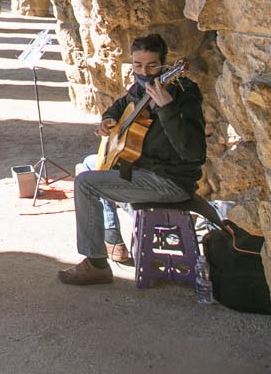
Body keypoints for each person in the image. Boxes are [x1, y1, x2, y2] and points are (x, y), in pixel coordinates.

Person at [58, 33, 206, 286]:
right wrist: (108, 120)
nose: (144, 72)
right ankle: (112, 238)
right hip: (143, 168)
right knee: (91, 163)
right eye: (137, 65)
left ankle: (96, 264)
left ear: (164, 64)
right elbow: (122, 104)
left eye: (151, 66)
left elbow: (193, 152)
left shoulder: (184, 92)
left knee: (85, 183)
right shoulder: (139, 88)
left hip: (170, 181)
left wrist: (168, 109)